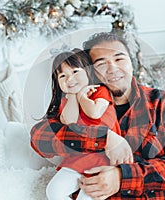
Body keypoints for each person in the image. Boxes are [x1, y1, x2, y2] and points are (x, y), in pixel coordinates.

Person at [31, 32, 165, 199]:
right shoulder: (77, 103)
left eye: (119, 59)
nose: (113, 69)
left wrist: (122, 177)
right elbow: (40, 137)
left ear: (131, 63)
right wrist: (104, 138)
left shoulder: (161, 102)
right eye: (101, 64)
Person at [42, 48, 133, 200]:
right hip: (79, 157)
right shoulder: (67, 100)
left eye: (75, 72)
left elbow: (95, 112)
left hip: (104, 157)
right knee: (54, 191)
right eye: (63, 76)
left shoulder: (99, 91)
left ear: (88, 72)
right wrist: (72, 96)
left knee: (88, 196)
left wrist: (83, 97)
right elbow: (69, 122)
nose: (69, 79)